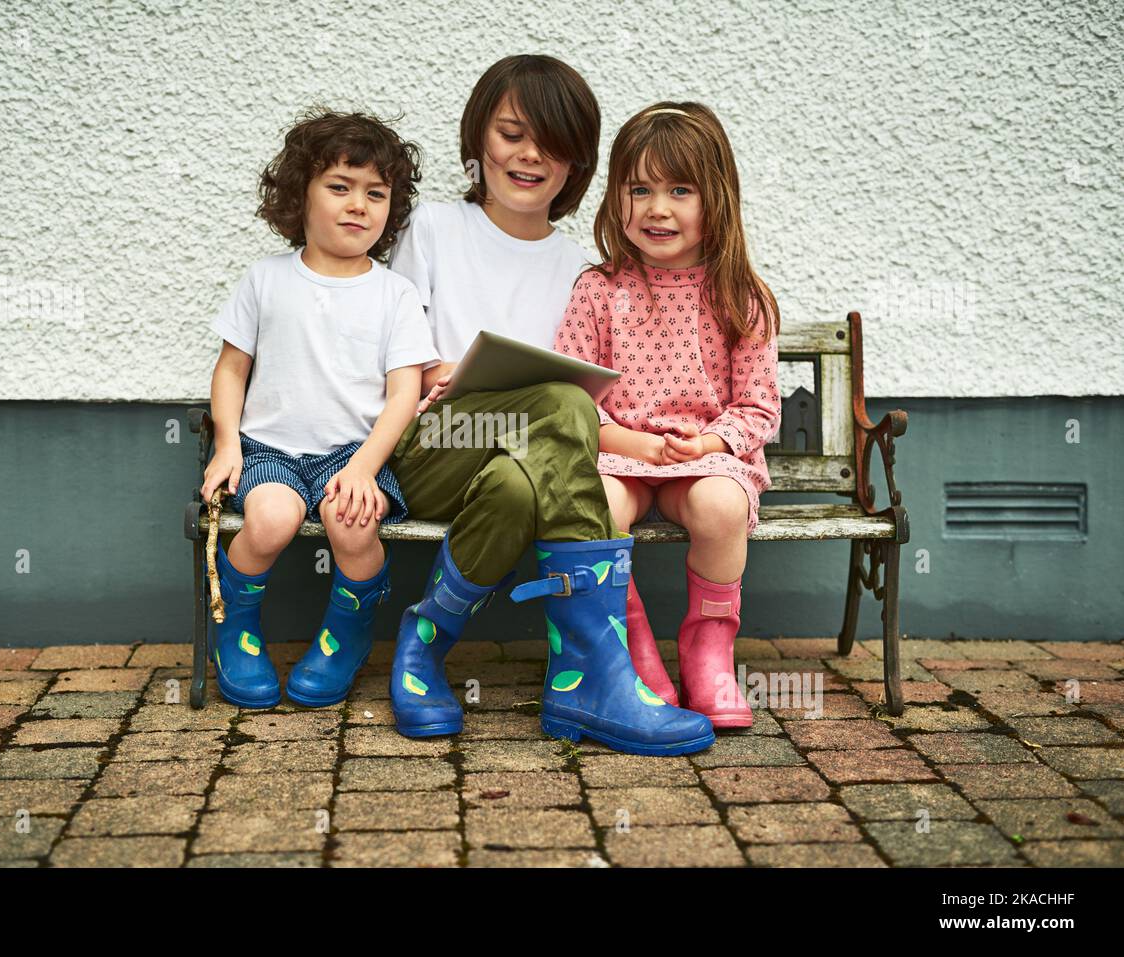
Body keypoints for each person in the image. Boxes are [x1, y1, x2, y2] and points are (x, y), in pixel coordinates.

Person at [385, 56, 714, 755]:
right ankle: (591, 675)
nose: (530, 155)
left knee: (514, 485)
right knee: (560, 404)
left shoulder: (580, 270)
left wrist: (659, 445)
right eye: (511, 134)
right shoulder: (435, 230)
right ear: (479, 140)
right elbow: (389, 352)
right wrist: (434, 371)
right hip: (436, 446)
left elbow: (586, 408)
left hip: (519, 463)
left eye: (553, 143)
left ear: (577, 165)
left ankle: (422, 644)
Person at [553, 102, 782, 728]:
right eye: (640, 189)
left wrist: (709, 441)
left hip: (705, 457)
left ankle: (708, 650)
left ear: (718, 199)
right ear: (616, 199)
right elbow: (570, 402)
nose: (658, 208)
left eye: (680, 189)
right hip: (616, 451)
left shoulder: (741, 296)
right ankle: (628, 649)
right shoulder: (599, 290)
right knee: (591, 506)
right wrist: (633, 443)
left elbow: (759, 406)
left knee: (720, 507)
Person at [200, 109, 437, 709]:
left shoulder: (394, 293)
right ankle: (236, 626)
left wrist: (363, 467)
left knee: (352, 522)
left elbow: (404, 393)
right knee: (272, 520)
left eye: (375, 193)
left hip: (353, 454)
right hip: (269, 451)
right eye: (340, 187)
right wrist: (228, 442)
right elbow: (231, 369)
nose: (359, 204)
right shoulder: (266, 280)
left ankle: (346, 632)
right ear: (298, 194)